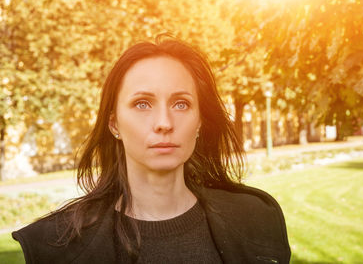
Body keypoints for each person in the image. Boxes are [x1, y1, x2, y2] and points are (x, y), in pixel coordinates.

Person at [12, 36, 291, 264]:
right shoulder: (54, 247)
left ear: (199, 122)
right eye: (142, 104)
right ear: (114, 124)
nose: (164, 123)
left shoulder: (257, 218)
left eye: (180, 104)